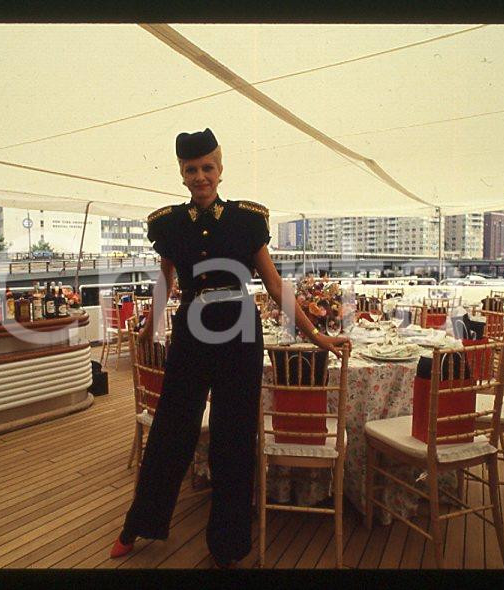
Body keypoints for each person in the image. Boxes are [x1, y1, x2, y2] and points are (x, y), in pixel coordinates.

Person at [109, 128, 348, 568]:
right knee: (169, 430)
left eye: (207, 168)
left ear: (220, 170)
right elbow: (166, 281)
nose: (200, 176)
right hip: (192, 330)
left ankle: (229, 545)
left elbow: (275, 285)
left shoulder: (247, 219)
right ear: (182, 174)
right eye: (191, 169)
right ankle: (137, 524)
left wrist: (316, 335)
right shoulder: (168, 224)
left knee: (234, 437)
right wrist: (147, 328)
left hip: (240, 329)